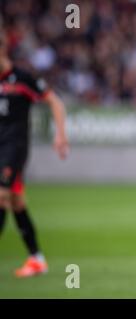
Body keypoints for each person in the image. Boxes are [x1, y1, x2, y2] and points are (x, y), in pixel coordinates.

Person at [0, 32, 69, 277]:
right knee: (17, 203)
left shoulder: (22, 78)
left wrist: (60, 135)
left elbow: (55, 102)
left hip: (14, 149)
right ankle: (37, 259)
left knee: (1, 196)